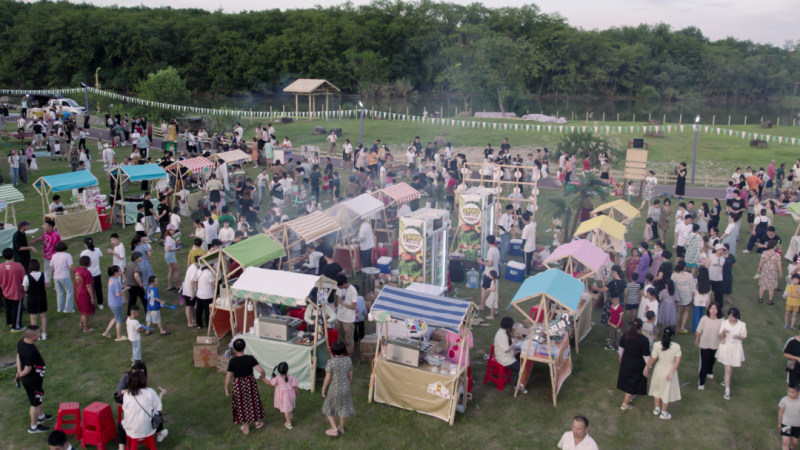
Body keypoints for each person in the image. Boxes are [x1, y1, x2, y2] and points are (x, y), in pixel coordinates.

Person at [224, 338, 266, 434]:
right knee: (252, 401)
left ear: (234, 349)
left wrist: (226, 387)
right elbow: (260, 370)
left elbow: (228, 376)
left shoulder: (232, 361)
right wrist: (263, 375)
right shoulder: (250, 358)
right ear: (244, 347)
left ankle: (246, 427)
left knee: (241, 404)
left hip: (239, 385)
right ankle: (257, 422)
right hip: (250, 383)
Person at [119, 370, 168, 445]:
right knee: (157, 414)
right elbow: (158, 408)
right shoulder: (150, 392)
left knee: (121, 424)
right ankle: (160, 434)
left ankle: (121, 447)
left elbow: (124, 409)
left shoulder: (127, 395)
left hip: (131, 430)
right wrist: (161, 394)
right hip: (147, 429)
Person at [644, 326, 682, 420]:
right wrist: (671, 372)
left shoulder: (657, 345)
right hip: (669, 370)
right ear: (672, 336)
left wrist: (647, 366)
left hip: (658, 370)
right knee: (666, 392)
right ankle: (663, 412)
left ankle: (657, 409)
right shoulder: (676, 346)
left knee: (657, 389)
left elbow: (653, 358)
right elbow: (677, 361)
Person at [321, 340, 355, 437]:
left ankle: (334, 429)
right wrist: (349, 382)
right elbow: (350, 374)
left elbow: (327, 378)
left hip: (334, 389)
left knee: (328, 408)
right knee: (343, 408)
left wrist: (323, 389)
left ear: (332, 351)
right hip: (346, 388)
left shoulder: (331, 363)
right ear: (344, 350)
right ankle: (341, 427)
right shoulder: (348, 360)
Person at [617, 319, 651, 410]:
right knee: (632, 383)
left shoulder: (625, 335)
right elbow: (646, 355)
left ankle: (631, 396)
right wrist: (648, 366)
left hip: (626, 361)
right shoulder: (643, 339)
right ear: (641, 327)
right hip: (637, 364)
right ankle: (625, 404)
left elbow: (621, 347)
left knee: (629, 380)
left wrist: (620, 356)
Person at [717, 307, 747, 400]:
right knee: (728, 369)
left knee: (731, 366)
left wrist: (738, 336)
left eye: (733, 316)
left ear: (737, 316)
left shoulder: (742, 324)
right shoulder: (724, 323)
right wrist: (723, 332)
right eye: (729, 315)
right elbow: (719, 335)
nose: (731, 318)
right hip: (726, 346)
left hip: (736, 347)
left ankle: (725, 380)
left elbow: (744, 337)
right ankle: (727, 390)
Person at [494, 317, 526, 394]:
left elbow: (507, 348)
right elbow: (506, 350)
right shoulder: (502, 335)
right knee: (521, 368)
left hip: (505, 355)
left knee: (519, 354)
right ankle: (517, 387)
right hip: (503, 358)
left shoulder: (502, 332)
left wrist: (514, 351)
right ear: (509, 327)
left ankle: (517, 376)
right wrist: (514, 343)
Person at [695, 302, 723, 390]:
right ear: (709, 309)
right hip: (704, 344)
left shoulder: (721, 320)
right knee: (704, 363)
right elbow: (699, 330)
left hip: (715, 344)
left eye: (715, 309)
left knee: (712, 360)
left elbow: (722, 333)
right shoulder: (704, 319)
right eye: (712, 308)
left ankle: (710, 371)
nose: (713, 310)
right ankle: (701, 383)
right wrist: (697, 340)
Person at [1, 247, 27, 331]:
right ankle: (16, 326)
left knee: (8, 307)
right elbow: (24, 279)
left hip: (5, 291)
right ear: (13, 255)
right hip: (16, 292)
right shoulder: (18, 266)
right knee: (16, 309)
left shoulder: (0, 267)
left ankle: (10, 322)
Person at [268, 361, 299, 430]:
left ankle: (289, 423)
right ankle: (289, 413)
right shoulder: (292, 377)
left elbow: (271, 383)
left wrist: (263, 379)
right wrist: (297, 393)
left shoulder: (276, 379)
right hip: (291, 395)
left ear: (278, 370)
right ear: (287, 369)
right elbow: (295, 387)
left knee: (286, 411)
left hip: (282, 397)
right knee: (289, 405)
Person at [23, 260, 48, 340]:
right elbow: (46, 285)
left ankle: (36, 335)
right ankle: (44, 333)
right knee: (43, 316)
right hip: (42, 297)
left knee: (33, 317)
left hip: (31, 298)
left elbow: (25, 288)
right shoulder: (44, 275)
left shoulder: (27, 277)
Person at [103, 265, 128, 341]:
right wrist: (126, 288)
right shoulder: (116, 282)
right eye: (119, 271)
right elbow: (118, 294)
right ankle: (119, 337)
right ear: (115, 273)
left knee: (116, 316)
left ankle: (107, 332)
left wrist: (122, 287)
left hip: (111, 302)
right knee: (119, 320)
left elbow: (116, 288)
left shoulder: (111, 279)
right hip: (116, 303)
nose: (121, 272)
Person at [335, 274, 357, 358]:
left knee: (348, 339)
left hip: (348, 319)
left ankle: (350, 356)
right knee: (340, 338)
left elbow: (354, 307)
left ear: (344, 283)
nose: (339, 287)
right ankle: (342, 355)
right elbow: (339, 298)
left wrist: (343, 304)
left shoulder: (353, 291)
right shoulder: (339, 287)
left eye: (340, 286)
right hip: (339, 317)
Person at [73, 256, 96, 333]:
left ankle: (81, 323)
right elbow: (88, 286)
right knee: (85, 312)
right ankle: (85, 328)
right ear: (88, 263)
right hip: (84, 294)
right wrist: (92, 297)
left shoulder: (76, 270)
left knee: (82, 309)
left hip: (77, 293)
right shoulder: (87, 273)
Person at [80, 237, 104, 310]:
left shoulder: (83, 253)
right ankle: (100, 304)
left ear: (85, 244)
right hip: (97, 273)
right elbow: (100, 256)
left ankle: (91, 303)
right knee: (98, 289)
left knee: (90, 289)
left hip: (88, 274)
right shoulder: (97, 250)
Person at [478, 235, 501, 311]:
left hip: (489, 274)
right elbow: (498, 260)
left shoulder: (490, 251)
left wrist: (481, 262)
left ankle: (482, 305)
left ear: (487, 241)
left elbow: (490, 263)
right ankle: (490, 306)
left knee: (484, 289)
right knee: (492, 290)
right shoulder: (496, 249)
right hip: (495, 272)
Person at [758, 240, 782, 305]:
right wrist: (780, 272)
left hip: (765, 270)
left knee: (762, 285)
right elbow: (779, 264)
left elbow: (761, 261)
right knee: (771, 287)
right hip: (773, 271)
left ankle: (760, 299)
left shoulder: (764, 253)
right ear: (774, 246)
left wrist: (759, 268)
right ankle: (770, 301)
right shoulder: (777, 255)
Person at [181, 256, 200, 328]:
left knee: (192, 306)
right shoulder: (194, 270)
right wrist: (192, 294)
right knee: (189, 306)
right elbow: (192, 283)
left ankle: (192, 320)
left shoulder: (193, 265)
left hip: (190, 290)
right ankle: (189, 322)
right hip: (189, 291)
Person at [779, 384, 800, 450]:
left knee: (795, 442)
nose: (790, 394)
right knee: (785, 441)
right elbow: (780, 412)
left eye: (793, 392)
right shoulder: (784, 400)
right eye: (789, 391)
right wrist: (779, 423)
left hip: (797, 425)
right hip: (786, 423)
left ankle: (792, 448)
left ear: (798, 392)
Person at [692, 267, 712, 332]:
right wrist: (708, 303)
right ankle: (701, 329)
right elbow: (709, 295)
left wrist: (692, 298)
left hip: (696, 301)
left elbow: (693, 292)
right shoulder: (708, 283)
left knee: (696, 316)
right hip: (704, 302)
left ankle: (695, 330)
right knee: (701, 316)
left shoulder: (695, 281)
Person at [163, 225, 180, 291]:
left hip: (168, 255)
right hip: (170, 255)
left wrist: (175, 242)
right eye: (173, 230)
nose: (174, 231)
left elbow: (169, 244)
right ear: (169, 230)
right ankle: (178, 286)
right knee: (176, 271)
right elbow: (169, 248)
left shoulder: (168, 237)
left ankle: (169, 286)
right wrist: (176, 249)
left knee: (171, 270)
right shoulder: (169, 238)